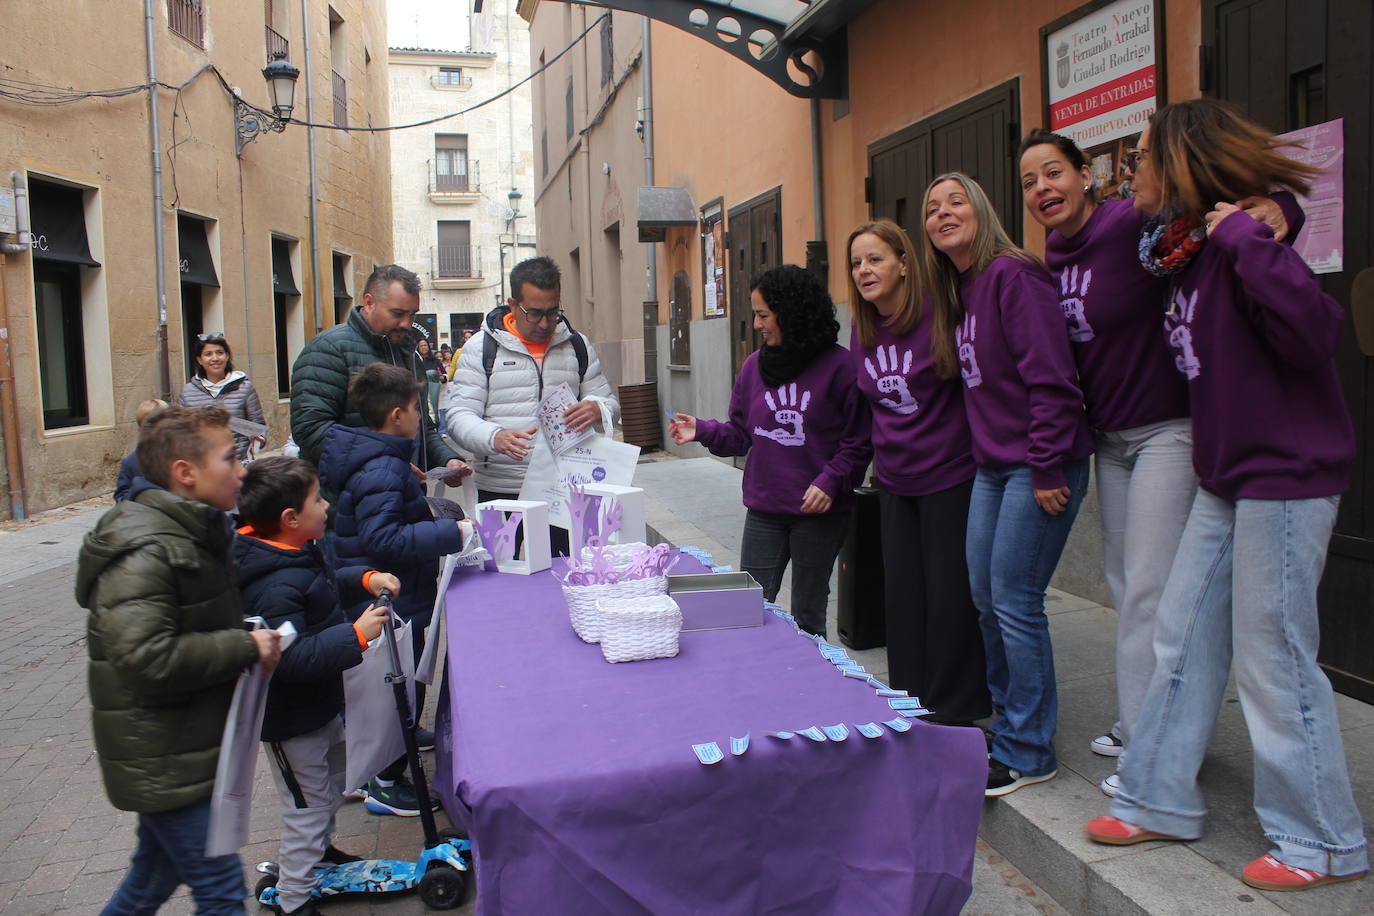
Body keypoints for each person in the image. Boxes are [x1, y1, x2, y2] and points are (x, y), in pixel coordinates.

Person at [1083, 99, 1368, 892]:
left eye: (1140, 156)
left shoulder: (1242, 241)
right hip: (1228, 475)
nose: (1128, 172)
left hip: (1286, 474)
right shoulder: (1183, 251)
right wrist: (1257, 221)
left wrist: (1253, 232)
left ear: (1182, 163)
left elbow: (1316, 333)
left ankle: (1321, 840)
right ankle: (1157, 797)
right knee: (1179, 637)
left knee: (1272, 654)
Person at [1018, 129, 1304, 796]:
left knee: (1150, 589)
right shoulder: (1052, 255)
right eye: (1029, 181)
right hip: (1112, 440)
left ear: (1086, 175)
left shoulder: (1129, 223)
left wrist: (1280, 209)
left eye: (1054, 172)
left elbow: (1231, 208)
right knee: (1126, 585)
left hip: (1168, 430)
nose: (1042, 189)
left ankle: (1154, 750)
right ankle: (1142, 719)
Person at [921, 172, 1093, 797]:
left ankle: (1030, 749)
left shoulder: (1013, 275)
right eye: (932, 208)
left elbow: (1052, 378)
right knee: (986, 596)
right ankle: (1009, 722)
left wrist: (1045, 465)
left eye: (955, 201)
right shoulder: (960, 289)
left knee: (1016, 601)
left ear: (980, 210)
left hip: (1039, 463)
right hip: (994, 467)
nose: (943, 213)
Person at [77, 406, 282, 914]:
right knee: (221, 894)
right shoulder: (146, 548)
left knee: (149, 881)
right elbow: (144, 655)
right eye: (229, 458)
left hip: (182, 747)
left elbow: (186, 623)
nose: (242, 471)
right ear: (185, 473)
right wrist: (242, 647)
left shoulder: (191, 529)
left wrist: (244, 636)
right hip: (165, 757)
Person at [234, 456, 398, 916]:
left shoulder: (299, 549)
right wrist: (356, 635)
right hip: (290, 720)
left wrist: (366, 578)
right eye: (317, 500)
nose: (326, 506)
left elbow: (324, 587)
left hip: (320, 706)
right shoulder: (272, 585)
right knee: (305, 807)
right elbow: (293, 658)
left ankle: (319, 856)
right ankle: (294, 899)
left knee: (332, 784)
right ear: (291, 518)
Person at [668, 265, 869, 638]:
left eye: (763, 315)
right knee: (749, 608)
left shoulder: (841, 368)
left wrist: (830, 480)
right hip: (764, 509)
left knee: (808, 615)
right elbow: (741, 435)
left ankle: (807, 674)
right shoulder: (753, 367)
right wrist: (702, 430)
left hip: (818, 514)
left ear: (791, 314)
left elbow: (859, 441)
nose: (757, 324)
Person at [847, 219, 989, 726]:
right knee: (904, 600)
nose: (864, 270)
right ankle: (909, 703)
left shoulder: (940, 312)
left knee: (949, 599)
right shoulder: (863, 328)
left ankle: (954, 711)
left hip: (950, 476)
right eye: (856, 263)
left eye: (875, 259)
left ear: (904, 263)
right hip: (894, 481)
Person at [319, 363, 466, 816]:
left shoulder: (385, 461)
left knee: (401, 686)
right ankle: (384, 781)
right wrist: (452, 533)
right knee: (392, 689)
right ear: (398, 414)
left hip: (399, 594)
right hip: (387, 597)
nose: (421, 417)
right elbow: (383, 538)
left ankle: (401, 743)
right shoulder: (382, 468)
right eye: (417, 409)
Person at [446, 256, 619, 555]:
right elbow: (458, 415)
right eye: (535, 313)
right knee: (500, 574)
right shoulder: (481, 348)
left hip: (562, 488)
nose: (545, 323)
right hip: (499, 488)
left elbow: (609, 403)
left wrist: (597, 409)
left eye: (553, 312)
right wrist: (494, 437)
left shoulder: (577, 345)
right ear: (513, 305)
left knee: (566, 569)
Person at [290, 264, 470, 508]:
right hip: (349, 504)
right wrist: (385, 461)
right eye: (398, 313)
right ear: (369, 302)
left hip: (403, 499)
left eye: (412, 315)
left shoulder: (409, 353)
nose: (407, 323)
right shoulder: (327, 350)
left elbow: (421, 424)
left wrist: (446, 459)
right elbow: (310, 430)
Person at [180, 333, 266, 463]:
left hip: (238, 464)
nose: (215, 358)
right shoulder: (187, 392)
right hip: (202, 465)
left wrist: (258, 439)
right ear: (199, 360)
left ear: (227, 356)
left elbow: (258, 428)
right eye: (208, 354)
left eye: (219, 353)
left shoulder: (245, 388)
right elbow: (180, 431)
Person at [114, 398, 168, 502]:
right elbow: (121, 497)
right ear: (140, 429)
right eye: (150, 427)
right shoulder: (131, 462)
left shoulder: (179, 454)